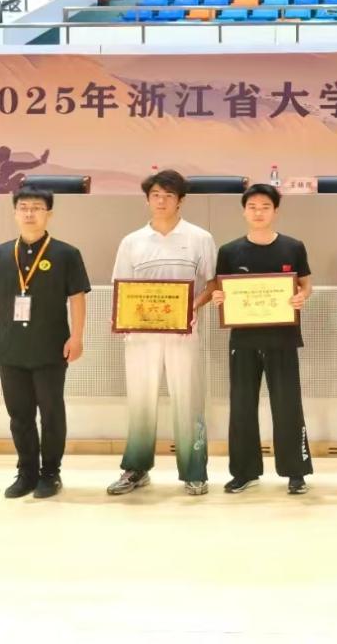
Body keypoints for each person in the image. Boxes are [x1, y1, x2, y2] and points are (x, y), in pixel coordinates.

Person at [0, 186, 90, 499]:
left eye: (36, 207)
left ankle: (50, 473)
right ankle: (26, 472)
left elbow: (77, 298)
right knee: (19, 415)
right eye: (23, 207)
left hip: (51, 347)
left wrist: (77, 336)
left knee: (51, 413)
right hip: (10, 348)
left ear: (49, 213)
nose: (29, 213)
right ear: (14, 213)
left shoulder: (66, 254)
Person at [107, 169, 217, 497]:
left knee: (188, 401)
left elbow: (212, 284)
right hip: (141, 336)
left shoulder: (200, 238)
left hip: (184, 334)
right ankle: (136, 469)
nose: (161, 201)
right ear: (147, 200)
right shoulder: (132, 241)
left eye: (169, 195)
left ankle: (195, 472)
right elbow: (121, 288)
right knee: (140, 402)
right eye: (155, 195)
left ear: (180, 201)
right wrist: (124, 319)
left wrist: (189, 308)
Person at [211, 184, 315, 496]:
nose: (258, 212)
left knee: (288, 405)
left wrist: (301, 297)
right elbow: (220, 289)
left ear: (275, 211)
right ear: (244, 211)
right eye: (253, 207)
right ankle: (244, 472)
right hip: (243, 339)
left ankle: (295, 472)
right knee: (242, 406)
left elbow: (306, 285)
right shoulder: (229, 251)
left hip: (283, 337)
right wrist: (218, 298)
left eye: (265, 207)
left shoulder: (293, 247)